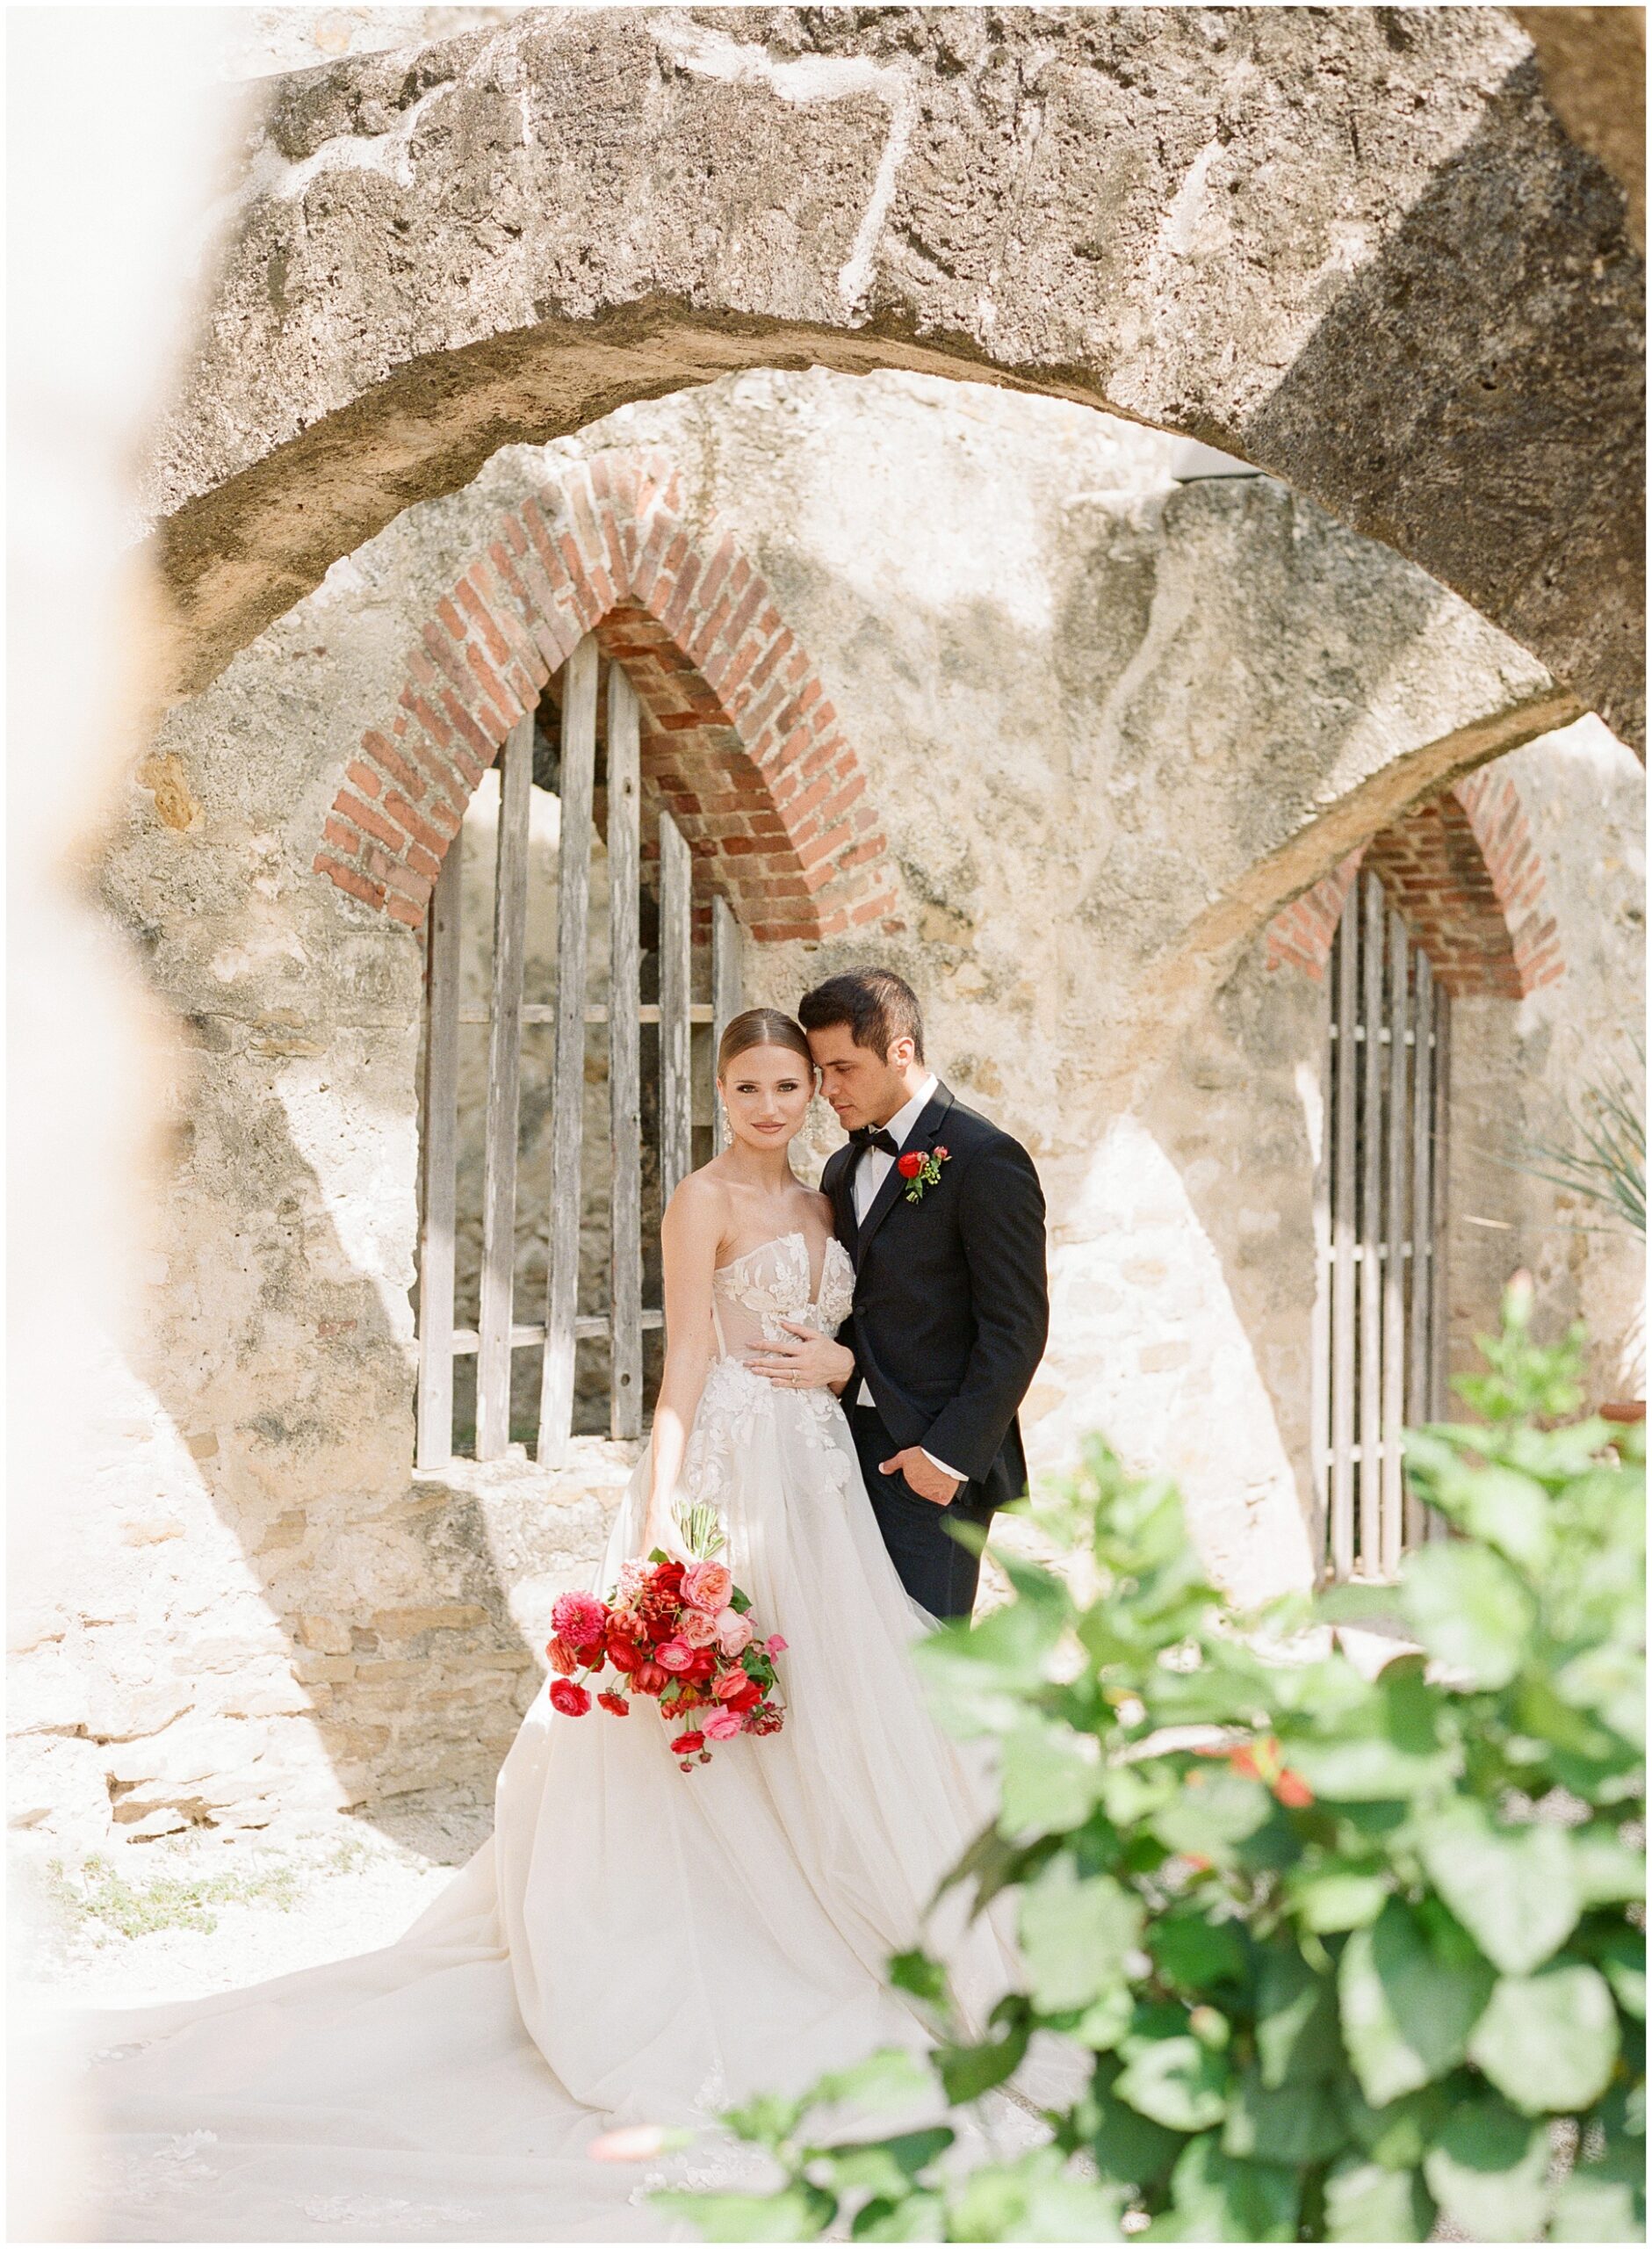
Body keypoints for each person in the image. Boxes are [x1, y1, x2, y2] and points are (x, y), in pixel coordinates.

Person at [64, 1008, 1056, 2243]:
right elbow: (684, 1363)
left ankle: (854, 1917)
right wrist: (657, 1517)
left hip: (829, 1482)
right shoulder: (701, 1203)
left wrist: (849, 1380)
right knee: (718, 1719)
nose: (770, 1105)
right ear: (719, 1090)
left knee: (844, 1705)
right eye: (747, 1085)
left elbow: (900, 1333)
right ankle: (726, 1935)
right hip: (735, 1473)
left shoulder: (836, 1196)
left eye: (791, 1083)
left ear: (817, 1090)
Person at [762, 968, 1050, 1623]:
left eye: (842, 1068)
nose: (826, 1090)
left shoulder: (986, 1159)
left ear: (900, 1051)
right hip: (839, 1454)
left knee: (928, 1675)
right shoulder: (840, 1167)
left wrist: (944, 1460)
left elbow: (1016, 1329)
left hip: (929, 1464)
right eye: (819, 1070)